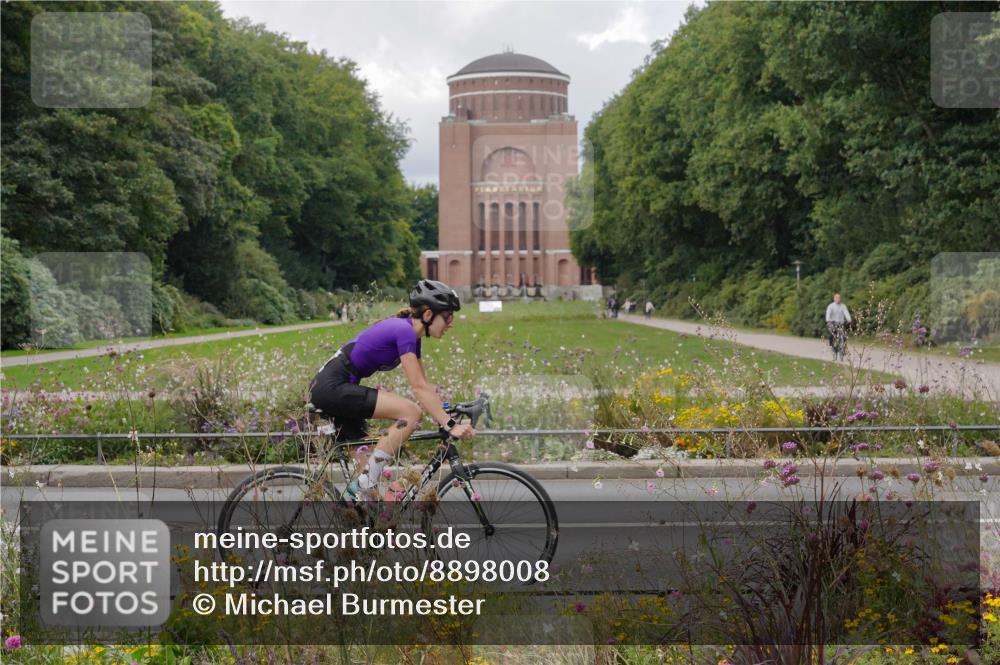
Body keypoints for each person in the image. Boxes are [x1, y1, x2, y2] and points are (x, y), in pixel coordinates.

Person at [308, 279, 475, 501]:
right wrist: (450, 424)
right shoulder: (403, 331)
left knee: (369, 494)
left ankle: (366, 527)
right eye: (447, 316)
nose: (451, 322)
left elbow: (424, 385)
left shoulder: (412, 337)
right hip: (331, 388)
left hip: (335, 387)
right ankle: (363, 487)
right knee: (410, 412)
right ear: (427, 315)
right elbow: (418, 388)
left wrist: (448, 412)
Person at [825, 292, 852, 361]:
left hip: (841, 323)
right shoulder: (831, 306)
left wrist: (849, 319)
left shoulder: (843, 306)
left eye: (839, 298)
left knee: (844, 336)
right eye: (836, 298)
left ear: (841, 299)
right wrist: (828, 320)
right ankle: (833, 349)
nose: (838, 299)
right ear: (834, 298)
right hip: (833, 323)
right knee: (832, 336)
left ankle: (843, 350)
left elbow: (846, 313)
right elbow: (828, 314)